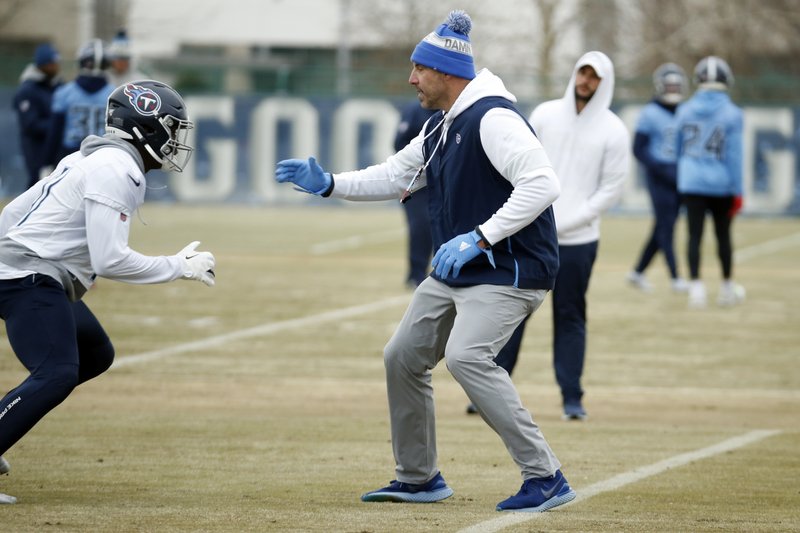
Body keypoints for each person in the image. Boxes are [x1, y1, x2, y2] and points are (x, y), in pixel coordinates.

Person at [276, 10, 576, 513]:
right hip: (460, 268)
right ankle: (419, 478)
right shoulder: (442, 123)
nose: (412, 78)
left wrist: (480, 238)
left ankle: (546, 477)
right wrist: (330, 183)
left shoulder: (494, 118)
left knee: (466, 357)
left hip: (511, 269)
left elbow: (544, 185)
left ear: (446, 72)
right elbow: (396, 175)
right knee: (402, 356)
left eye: (419, 68)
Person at [0, 81, 215, 505]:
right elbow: (109, 260)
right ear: (145, 127)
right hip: (26, 275)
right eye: (170, 127)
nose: (175, 139)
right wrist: (177, 267)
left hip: (25, 270)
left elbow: (12, 212)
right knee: (58, 371)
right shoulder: (117, 169)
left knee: (95, 351)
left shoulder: (92, 157)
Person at [527, 51, 630, 421]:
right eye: (582, 73)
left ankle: (572, 397)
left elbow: (610, 190)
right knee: (509, 312)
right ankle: (490, 388)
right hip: (531, 236)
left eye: (594, 76)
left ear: (604, 82)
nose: (585, 81)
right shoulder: (544, 115)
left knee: (569, 316)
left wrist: (566, 223)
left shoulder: (614, 130)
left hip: (578, 242)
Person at [675, 56, 744, 308]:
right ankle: (726, 288)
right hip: (722, 183)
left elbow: (677, 148)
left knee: (694, 235)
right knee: (723, 236)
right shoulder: (733, 114)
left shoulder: (684, 110)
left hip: (691, 182)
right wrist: (738, 190)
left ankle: (696, 289)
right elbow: (735, 157)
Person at [626, 63, 689, 293]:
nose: (673, 90)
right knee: (666, 227)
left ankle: (637, 272)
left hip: (681, 176)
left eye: (676, 85)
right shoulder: (650, 113)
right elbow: (638, 149)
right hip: (660, 177)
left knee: (663, 228)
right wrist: (659, 168)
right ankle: (675, 277)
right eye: (669, 85)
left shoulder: (685, 110)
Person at [43, 39, 115, 169]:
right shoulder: (115, 94)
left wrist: (48, 162)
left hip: (71, 156)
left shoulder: (64, 92)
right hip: (104, 157)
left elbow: (55, 133)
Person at [394, 101, 437, 288]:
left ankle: (442, 275)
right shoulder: (414, 110)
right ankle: (416, 275)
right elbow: (398, 143)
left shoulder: (456, 111)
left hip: (443, 183)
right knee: (420, 225)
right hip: (417, 183)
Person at [12, 43, 63, 189]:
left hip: (56, 147)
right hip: (36, 148)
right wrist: (58, 126)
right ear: (43, 64)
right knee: (37, 185)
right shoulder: (27, 89)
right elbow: (30, 125)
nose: (56, 66)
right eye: (52, 63)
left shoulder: (58, 85)